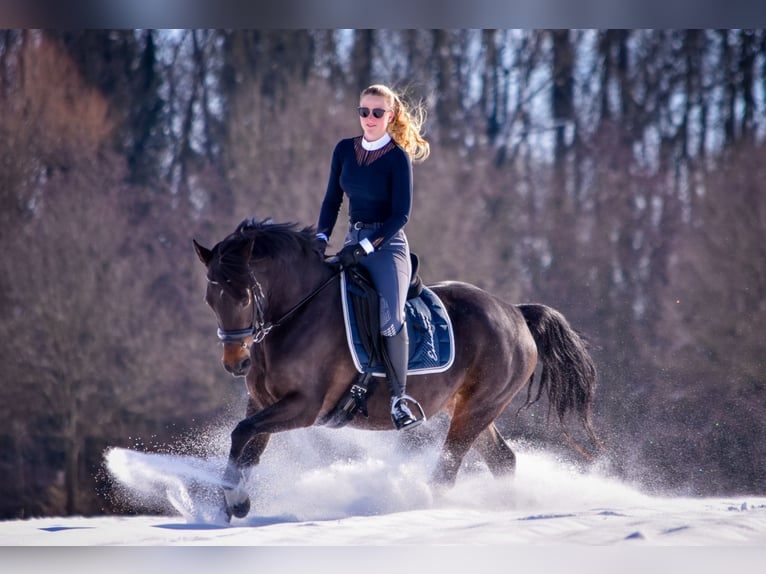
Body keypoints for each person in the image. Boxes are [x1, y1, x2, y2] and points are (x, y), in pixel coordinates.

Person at [316, 83, 430, 431]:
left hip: (387, 244)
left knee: (390, 317)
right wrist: (320, 238)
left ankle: (398, 399)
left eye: (377, 112)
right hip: (353, 236)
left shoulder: (397, 157)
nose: (369, 118)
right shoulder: (343, 150)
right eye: (363, 111)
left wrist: (367, 247)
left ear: (390, 116)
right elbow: (332, 199)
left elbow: (401, 215)